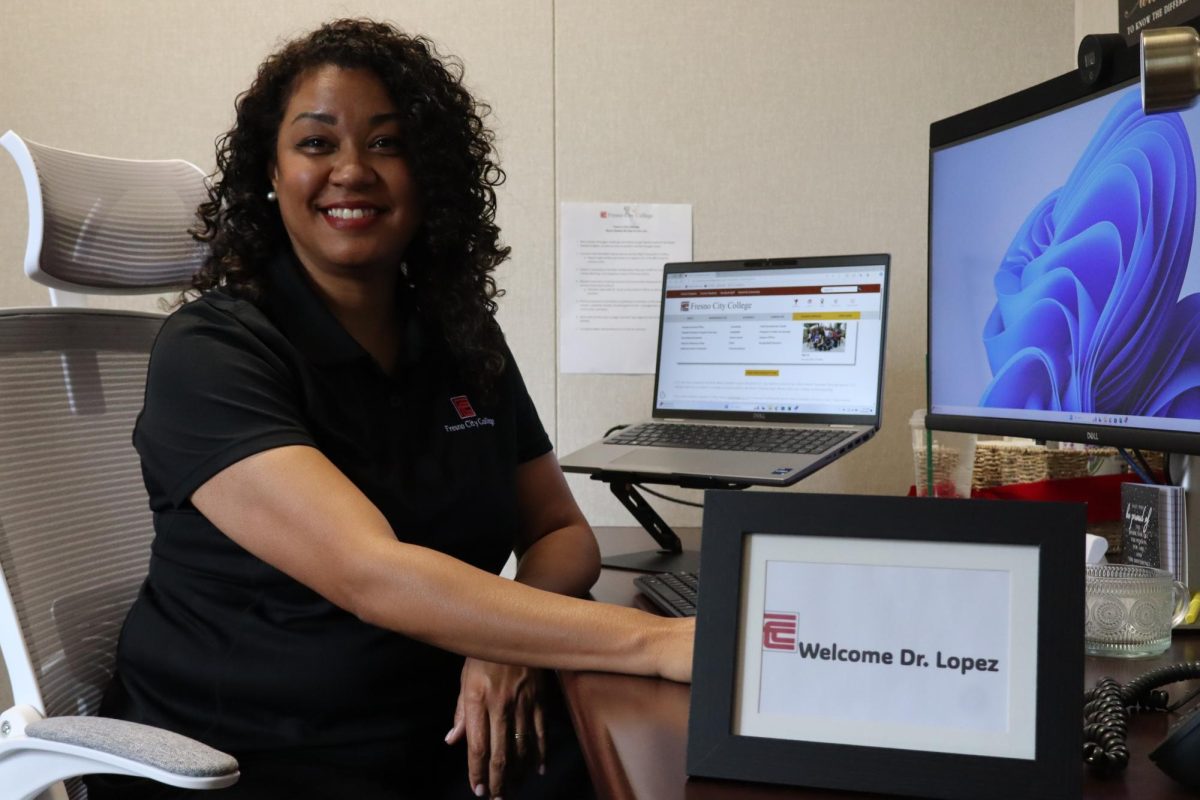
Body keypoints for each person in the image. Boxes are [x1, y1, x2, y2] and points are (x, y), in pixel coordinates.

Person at [85, 18, 693, 800]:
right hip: (248, 756)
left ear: (427, 173)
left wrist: (511, 640)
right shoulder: (211, 352)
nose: (351, 170)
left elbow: (557, 529)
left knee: (672, 760)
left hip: (433, 726)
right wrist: (658, 640)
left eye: (387, 143)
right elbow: (371, 573)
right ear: (271, 172)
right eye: (316, 143)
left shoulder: (459, 336)